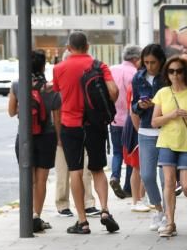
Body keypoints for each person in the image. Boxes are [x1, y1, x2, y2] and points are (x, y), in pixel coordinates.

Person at [51, 31, 119, 234]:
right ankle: (105, 210)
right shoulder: (99, 66)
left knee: (76, 171)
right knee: (97, 169)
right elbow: (114, 92)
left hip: (71, 124)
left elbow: (57, 93)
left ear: (68, 48)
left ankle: (82, 221)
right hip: (95, 124)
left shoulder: (59, 68)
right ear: (88, 46)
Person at [151, 54, 187, 237]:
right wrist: (172, 115)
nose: (175, 75)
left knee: (186, 185)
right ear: (166, 73)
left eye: (179, 71)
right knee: (168, 182)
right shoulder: (163, 93)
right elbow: (155, 122)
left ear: (185, 72)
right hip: (167, 142)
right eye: (171, 71)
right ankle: (170, 222)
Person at [7, 49, 60, 233]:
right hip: (47, 136)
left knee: (27, 178)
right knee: (41, 180)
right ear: (43, 66)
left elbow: (11, 112)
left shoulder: (17, 85)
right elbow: (56, 116)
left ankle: (27, 216)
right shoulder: (51, 88)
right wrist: (60, 140)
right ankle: (37, 215)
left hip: (24, 137)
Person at [132, 44, 168, 231]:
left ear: (161, 61)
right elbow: (133, 106)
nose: (149, 66)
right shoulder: (138, 77)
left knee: (165, 177)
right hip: (146, 130)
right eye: (146, 62)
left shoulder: (169, 75)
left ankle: (168, 216)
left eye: (153, 62)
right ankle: (158, 209)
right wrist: (140, 106)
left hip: (166, 129)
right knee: (146, 175)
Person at [108, 45, 141, 199]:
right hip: (130, 120)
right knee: (130, 153)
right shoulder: (135, 74)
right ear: (135, 58)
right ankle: (128, 187)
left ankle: (114, 176)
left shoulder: (112, 70)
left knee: (117, 152)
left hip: (114, 118)